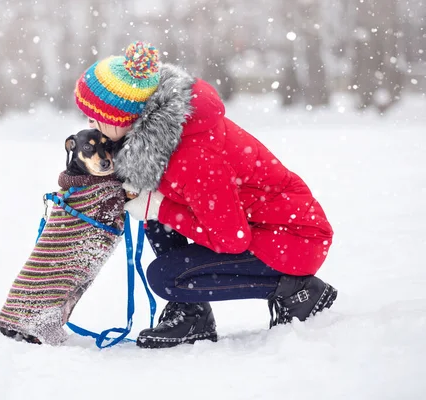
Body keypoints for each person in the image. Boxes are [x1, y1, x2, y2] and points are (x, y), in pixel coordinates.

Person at [73, 41, 337, 349]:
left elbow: (232, 239)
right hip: (264, 227)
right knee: (155, 215)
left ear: (121, 117)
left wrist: (160, 208)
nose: (91, 127)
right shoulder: (164, 136)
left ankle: (299, 290)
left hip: (294, 240)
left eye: (94, 119)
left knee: (165, 276)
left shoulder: (193, 154)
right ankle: (191, 313)